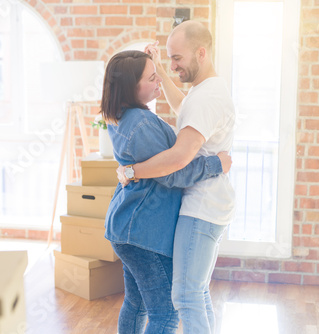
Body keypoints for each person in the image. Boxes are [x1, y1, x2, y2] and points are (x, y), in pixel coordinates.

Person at [100, 50, 231, 334]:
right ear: (131, 87)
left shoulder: (123, 115)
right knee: (166, 315)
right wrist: (216, 164)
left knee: (136, 304)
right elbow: (174, 173)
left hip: (127, 228)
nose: (159, 78)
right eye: (151, 77)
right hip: (142, 233)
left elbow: (184, 114)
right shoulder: (142, 124)